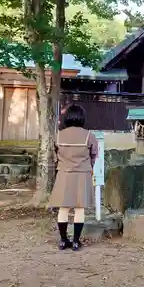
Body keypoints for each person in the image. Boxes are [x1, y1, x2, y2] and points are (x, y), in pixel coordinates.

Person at [47, 104, 98, 251]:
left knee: (63, 208)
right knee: (79, 209)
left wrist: (61, 164)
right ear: (82, 118)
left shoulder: (58, 135)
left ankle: (63, 241)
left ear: (67, 117)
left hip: (63, 174)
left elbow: (54, 154)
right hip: (82, 175)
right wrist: (88, 166)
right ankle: (76, 242)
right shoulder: (89, 136)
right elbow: (94, 155)